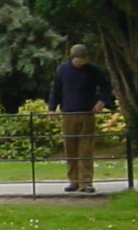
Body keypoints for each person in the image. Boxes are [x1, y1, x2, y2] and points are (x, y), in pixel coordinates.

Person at [47, 43, 115, 194]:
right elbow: (56, 89)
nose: (83, 62)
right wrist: (52, 108)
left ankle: (86, 182)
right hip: (68, 114)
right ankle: (73, 181)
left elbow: (106, 86)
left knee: (86, 149)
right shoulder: (63, 70)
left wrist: (102, 101)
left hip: (87, 113)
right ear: (73, 57)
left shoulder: (93, 70)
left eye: (85, 58)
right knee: (70, 148)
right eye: (80, 59)